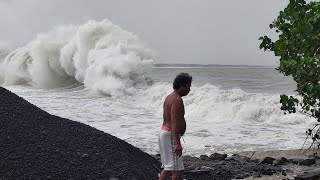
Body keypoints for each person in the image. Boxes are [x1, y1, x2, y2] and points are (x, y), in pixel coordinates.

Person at [158, 73, 192, 180]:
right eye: (188, 86)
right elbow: (174, 121)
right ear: (182, 86)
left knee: (168, 167)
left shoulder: (170, 97)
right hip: (170, 135)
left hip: (165, 133)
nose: (189, 89)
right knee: (177, 169)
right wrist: (178, 143)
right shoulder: (177, 100)